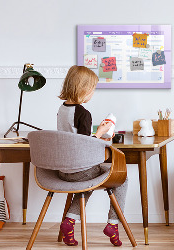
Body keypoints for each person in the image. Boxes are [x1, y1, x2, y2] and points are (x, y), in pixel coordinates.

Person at [57, 65, 127, 247]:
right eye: (93, 89)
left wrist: (96, 133)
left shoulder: (62, 109)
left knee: (87, 182)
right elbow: (84, 145)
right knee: (122, 178)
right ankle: (113, 224)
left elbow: (74, 138)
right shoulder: (83, 113)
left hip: (63, 170)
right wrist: (101, 133)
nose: (93, 93)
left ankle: (69, 222)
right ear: (83, 89)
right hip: (80, 170)